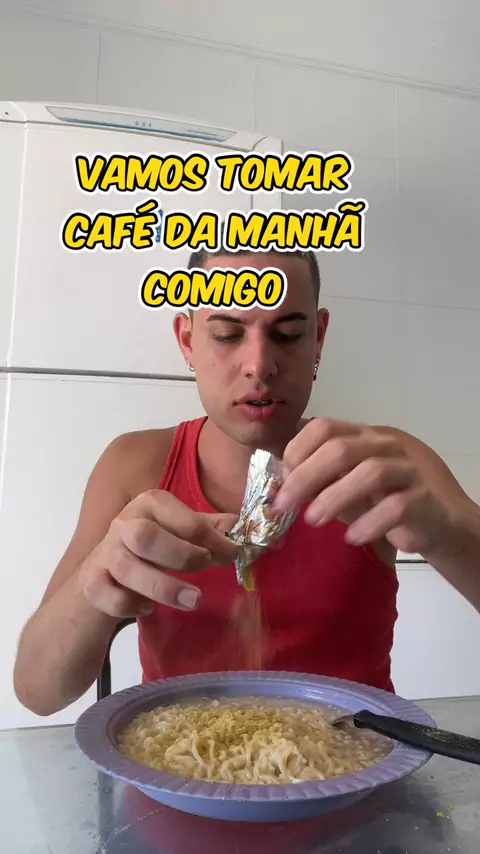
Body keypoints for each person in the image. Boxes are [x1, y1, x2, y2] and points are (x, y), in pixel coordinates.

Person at [13, 247, 480, 717]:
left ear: (318, 338)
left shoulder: (383, 464)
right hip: (179, 759)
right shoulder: (133, 467)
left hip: (359, 759)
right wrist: (94, 584)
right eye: (227, 334)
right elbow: (38, 692)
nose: (259, 365)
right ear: (187, 339)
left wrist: (446, 534)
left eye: (288, 334)